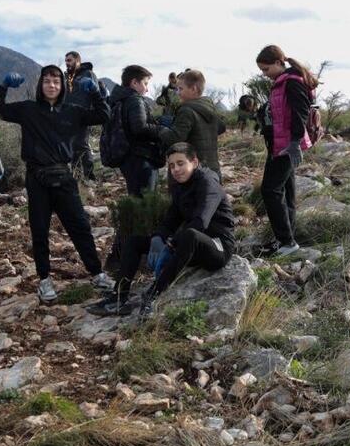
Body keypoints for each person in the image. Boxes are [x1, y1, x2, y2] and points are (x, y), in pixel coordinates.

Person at [0, 65, 116, 301]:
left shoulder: (73, 111)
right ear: (40, 85)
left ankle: (97, 273)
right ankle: (44, 280)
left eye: (56, 81)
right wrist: (3, 86)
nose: (51, 85)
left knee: (80, 226)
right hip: (37, 178)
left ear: (62, 87)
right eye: (47, 81)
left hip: (63, 176)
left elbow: (104, 115)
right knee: (39, 230)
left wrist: (95, 92)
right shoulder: (28, 109)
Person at [88, 142, 234, 317]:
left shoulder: (208, 183)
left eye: (180, 163)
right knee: (134, 241)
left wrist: (172, 245)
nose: (176, 170)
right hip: (189, 247)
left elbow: (201, 222)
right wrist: (158, 238)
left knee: (191, 235)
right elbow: (170, 221)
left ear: (194, 162)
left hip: (217, 247)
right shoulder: (181, 187)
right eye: (171, 166)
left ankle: (153, 295)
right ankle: (119, 298)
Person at [255, 45, 316, 256]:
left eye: (266, 69)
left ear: (278, 63)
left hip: (287, 146)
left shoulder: (291, 82)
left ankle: (286, 242)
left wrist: (294, 143)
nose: (264, 74)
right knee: (286, 190)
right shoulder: (282, 81)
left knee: (270, 189)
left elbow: (301, 112)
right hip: (279, 144)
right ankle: (286, 239)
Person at [103, 65, 164, 273]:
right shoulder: (134, 100)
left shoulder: (118, 99)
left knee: (135, 206)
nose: (147, 88)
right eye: (145, 83)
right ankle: (127, 259)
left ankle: (120, 258)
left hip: (130, 160)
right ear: (134, 82)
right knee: (142, 208)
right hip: (141, 160)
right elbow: (139, 128)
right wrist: (162, 129)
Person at [158, 70, 227, 180]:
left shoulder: (186, 110)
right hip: (213, 169)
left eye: (181, 89)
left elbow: (175, 138)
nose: (178, 93)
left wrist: (161, 130)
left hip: (193, 170)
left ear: (193, 89)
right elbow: (221, 127)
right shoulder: (209, 106)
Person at [64, 51, 103, 181]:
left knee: (81, 144)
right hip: (68, 116)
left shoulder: (88, 74)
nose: (67, 63)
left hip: (83, 116)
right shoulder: (68, 77)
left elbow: (97, 95)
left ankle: (90, 177)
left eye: (69, 60)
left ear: (77, 61)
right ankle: (77, 176)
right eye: (66, 61)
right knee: (72, 146)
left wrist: (92, 114)